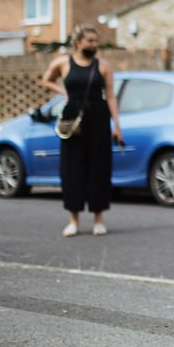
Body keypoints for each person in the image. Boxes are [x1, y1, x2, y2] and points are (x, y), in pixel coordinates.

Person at [39, 24, 123, 237]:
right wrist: (64, 92)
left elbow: (111, 95)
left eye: (95, 41)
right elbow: (46, 80)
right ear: (78, 42)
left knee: (99, 168)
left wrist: (117, 126)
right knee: (72, 168)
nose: (94, 45)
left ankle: (98, 219)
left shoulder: (103, 66)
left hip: (99, 118)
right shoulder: (63, 63)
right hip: (73, 118)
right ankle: (73, 221)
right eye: (90, 41)